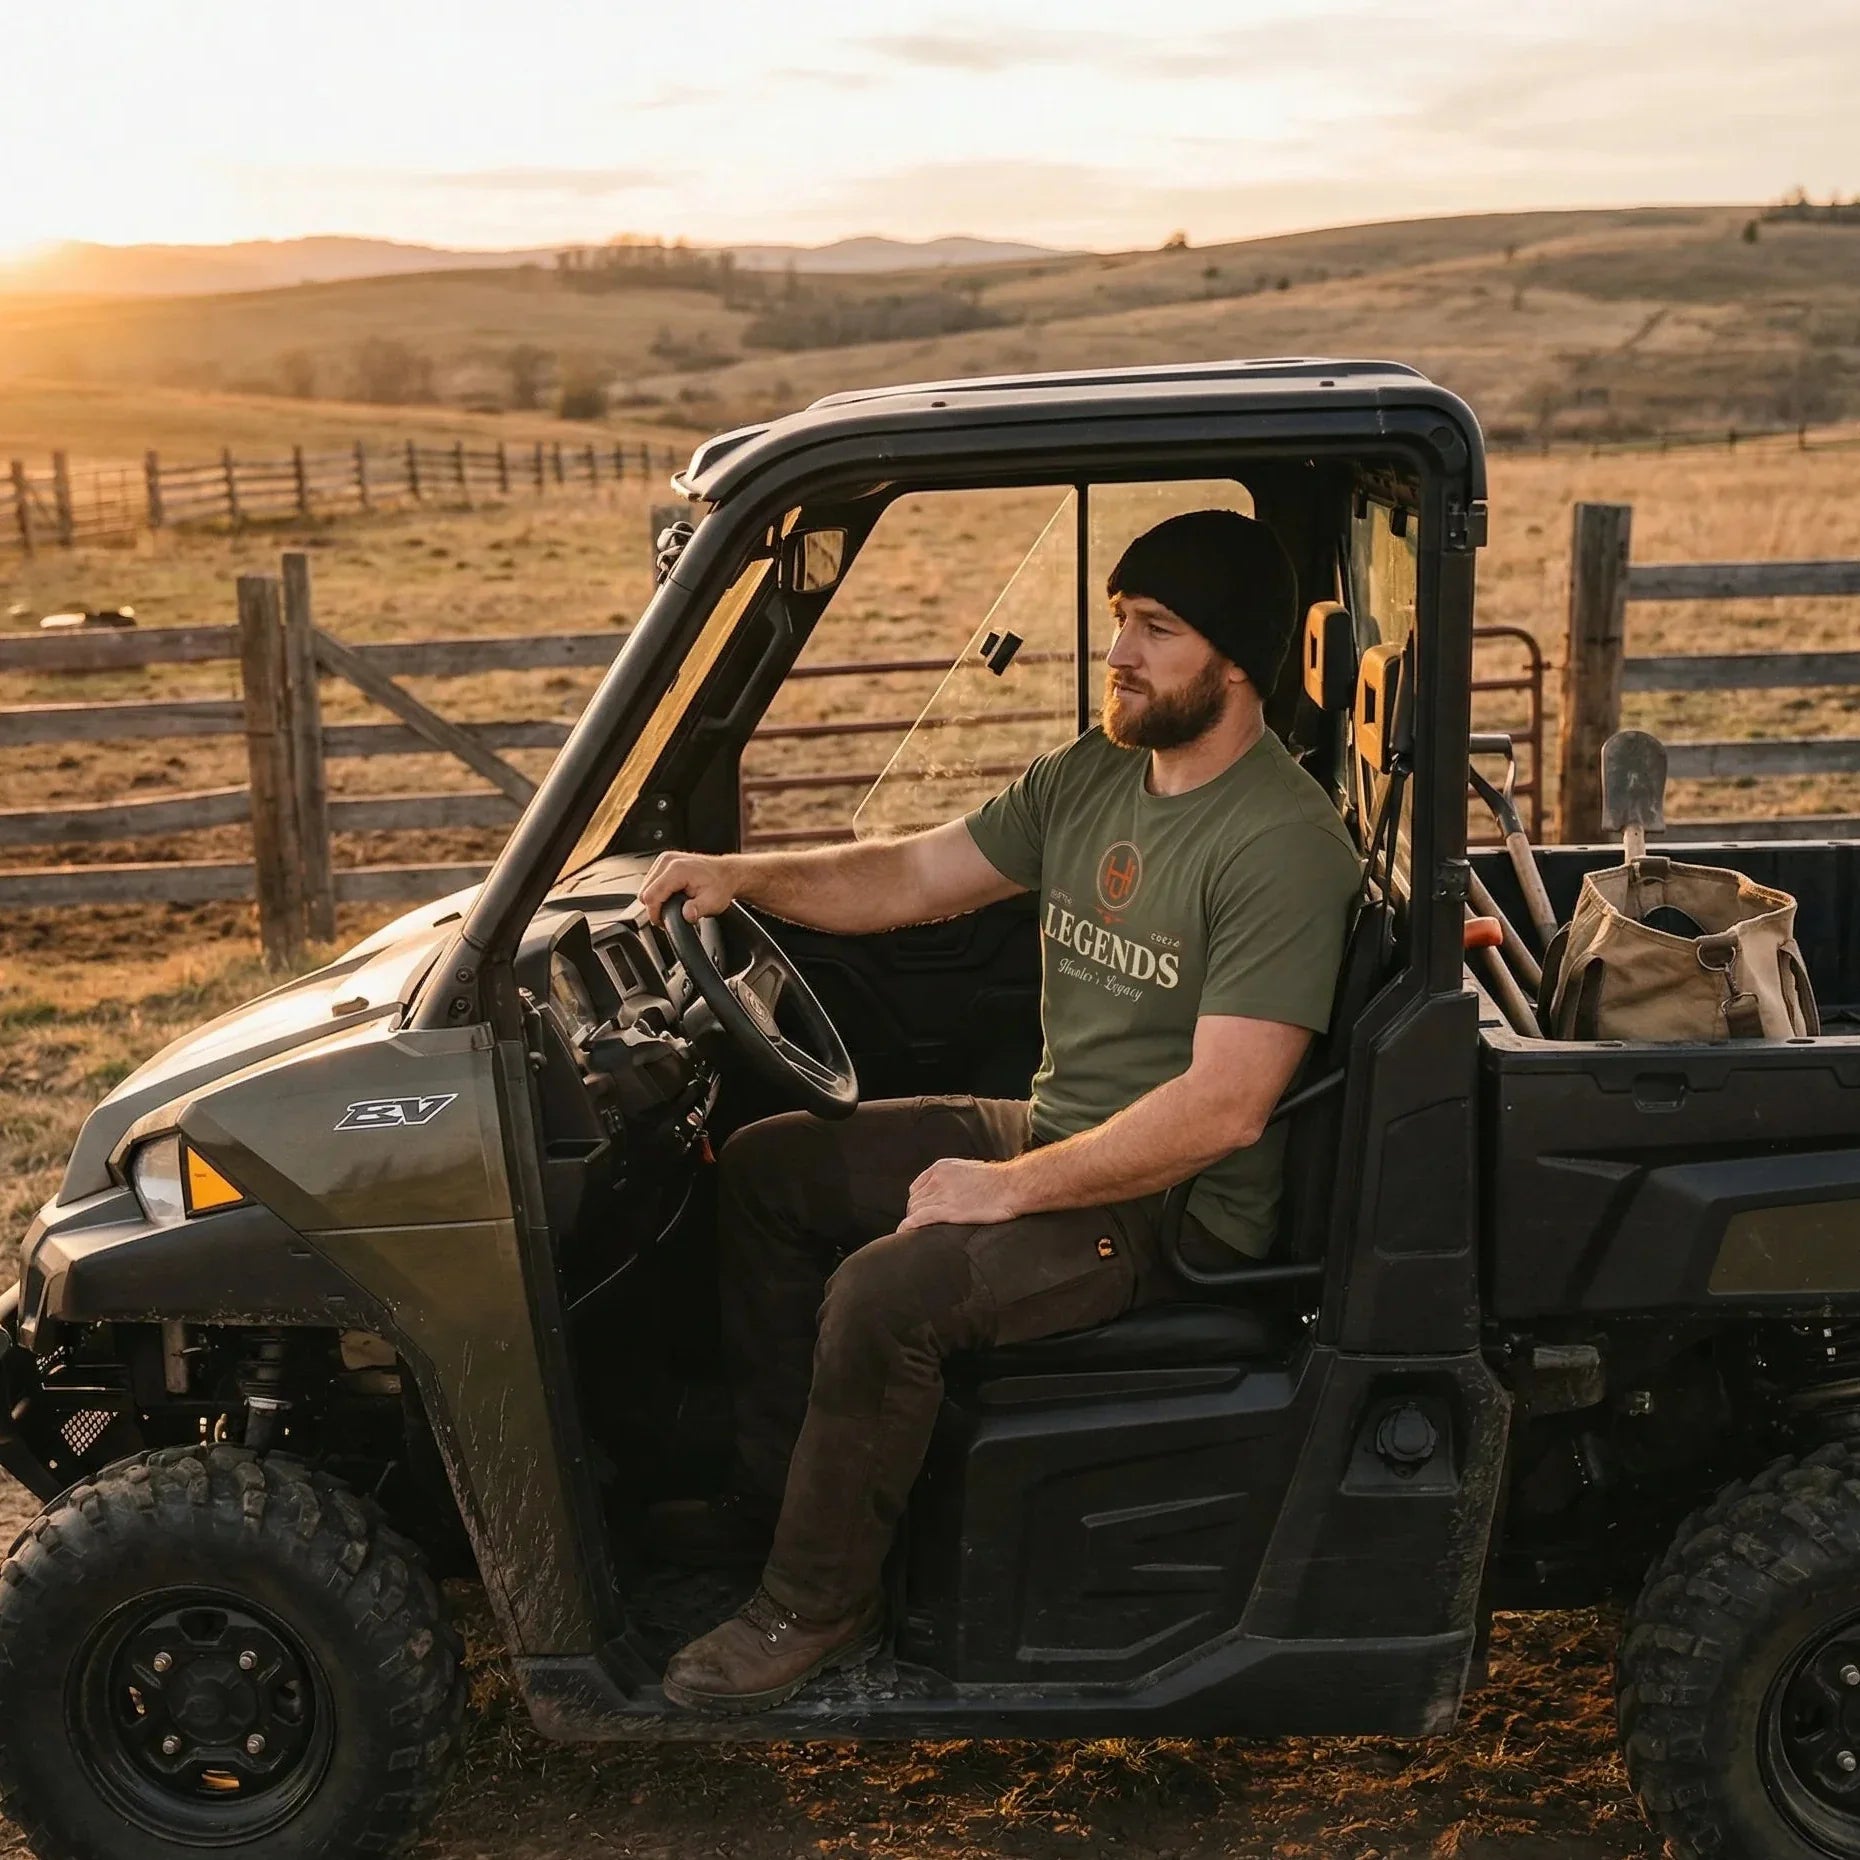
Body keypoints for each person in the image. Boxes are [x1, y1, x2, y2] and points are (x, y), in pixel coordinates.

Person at [637, 508, 1362, 1712]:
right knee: (769, 1173)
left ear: (1235, 659)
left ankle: (813, 1606)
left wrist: (1007, 1188)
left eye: (1156, 628)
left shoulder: (1281, 845)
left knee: (885, 1293)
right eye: (1120, 619)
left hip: (1170, 1209)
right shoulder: (1098, 770)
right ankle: (776, 1506)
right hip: (1063, 1133)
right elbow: (918, 874)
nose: (1119, 653)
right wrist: (743, 877)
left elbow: (1226, 1111)